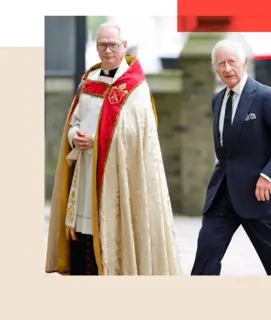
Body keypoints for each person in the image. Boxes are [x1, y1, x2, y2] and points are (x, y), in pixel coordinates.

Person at [45, 22, 182, 276]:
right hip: (86, 173)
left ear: (124, 46)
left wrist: (97, 140)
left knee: (111, 232)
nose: (107, 50)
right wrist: (76, 137)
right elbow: (73, 122)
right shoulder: (89, 79)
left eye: (113, 45)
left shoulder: (135, 88)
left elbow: (138, 135)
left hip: (117, 178)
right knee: (83, 233)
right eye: (102, 45)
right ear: (96, 47)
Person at [190, 40, 271, 276]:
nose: (227, 68)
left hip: (257, 193)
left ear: (244, 63)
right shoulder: (218, 99)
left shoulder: (264, 96)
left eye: (232, 62)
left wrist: (268, 176)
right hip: (222, 194)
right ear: (215, 68)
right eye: (221, 63)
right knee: (206, 255)